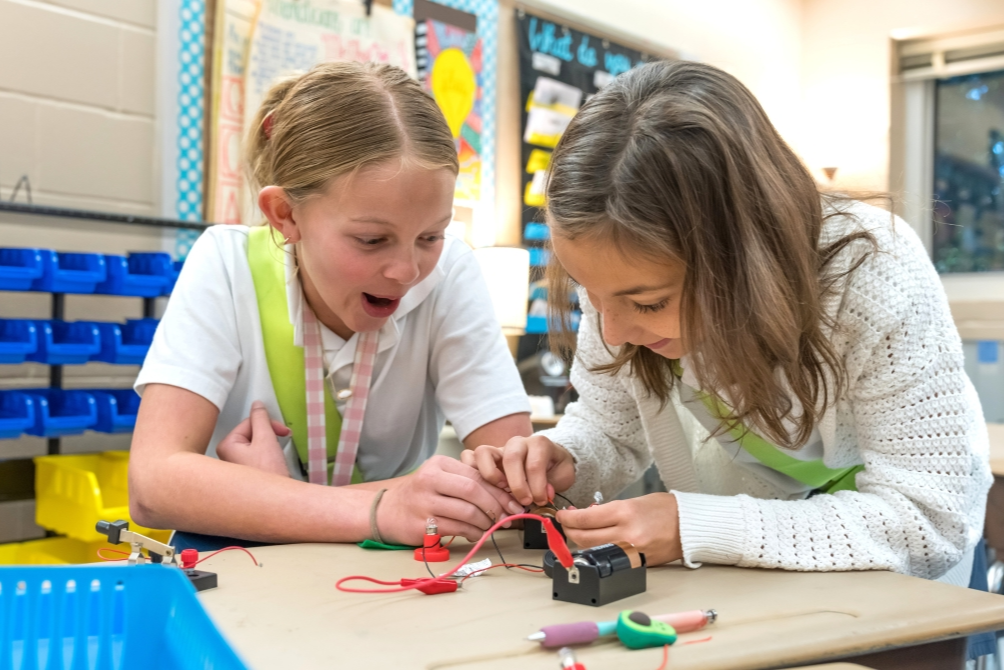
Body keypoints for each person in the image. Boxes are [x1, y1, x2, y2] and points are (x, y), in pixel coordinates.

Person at [464, 60, 992, 586]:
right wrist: (567, 460)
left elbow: (926, 522)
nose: (614, 333)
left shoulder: (875, 272)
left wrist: (696, 524)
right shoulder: (619, 295)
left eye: (647, 304)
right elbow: (610, 428)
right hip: (741, 580)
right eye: (594, 298)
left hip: (897, 589)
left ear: (745, 259)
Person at [129, 61, 532, 549]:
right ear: (285, 215)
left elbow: (510, 480)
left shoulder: (451, 273)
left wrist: (268, 498)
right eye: (371, 239)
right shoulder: (226, 262)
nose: (406, 270)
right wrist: (385, 507)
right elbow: (152, 486)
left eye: (431, 235)